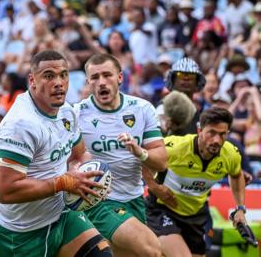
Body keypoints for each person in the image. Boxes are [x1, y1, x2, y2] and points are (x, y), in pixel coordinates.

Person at [0, 50, 112, 257]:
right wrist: (64, 182)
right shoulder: (20, 125)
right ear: (32, 80)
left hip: (60, 217)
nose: (58, 82)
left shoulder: (67, 112)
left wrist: (90, 175)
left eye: (64, 75)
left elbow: (80, 155)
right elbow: (6, 191)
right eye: (49, 76)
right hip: (19, 236)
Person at [76, 53, 167, 257]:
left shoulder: (142, 109)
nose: (101, 82)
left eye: (107, 75)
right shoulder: (77, 114)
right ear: (88, 82)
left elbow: (161, 162)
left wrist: (139, 151)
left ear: (120, 77)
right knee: (151, 248)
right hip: (99, 200)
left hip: (134, 198)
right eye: (95, 77)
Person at [144, 107, 248, 257]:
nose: (217, 140)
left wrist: (240, 208)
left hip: (196, 216)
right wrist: (154, 187)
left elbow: (237, 176)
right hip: (162, 210)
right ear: (200, 130)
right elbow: (143, 157)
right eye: (211, 133)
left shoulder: (231, 154)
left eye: (222, 134)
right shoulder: (175, 147)